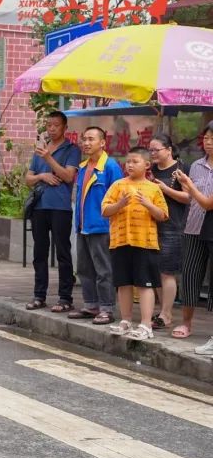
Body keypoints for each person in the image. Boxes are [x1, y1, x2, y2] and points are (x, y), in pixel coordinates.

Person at [101, 147, 168, 340]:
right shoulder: (117, 185)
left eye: (135, 161)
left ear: (147, 165)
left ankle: (146, 324)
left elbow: (163, 215)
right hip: (120, 242)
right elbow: (105, 210)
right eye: (128, 161)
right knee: (123, 283)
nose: (130, 165)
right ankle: (126, 320)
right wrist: (120, 204)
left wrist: (147, 204)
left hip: (145, 243)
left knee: (145, 284)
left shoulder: (154, 188)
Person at [25, 110, 81, 312]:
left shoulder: (72, 149)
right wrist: (43, 176)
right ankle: (39, 295)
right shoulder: (40, 149)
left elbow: (67, 176)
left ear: (65, 127)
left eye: (56, 125)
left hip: (60, 207)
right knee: (39, 252)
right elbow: (28, 178)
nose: (51, 129)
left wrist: (49, 159)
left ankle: (65, 298)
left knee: (63, 253)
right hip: (40, 206)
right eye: (49, 125)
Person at [67, 127, 123, 324]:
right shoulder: (83, 167)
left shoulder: (110, 166)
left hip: (102, 226)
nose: (86, 143)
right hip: (83, 225)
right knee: (84, 268)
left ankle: (107, 308)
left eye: (91, 139)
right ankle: (91, 305)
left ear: (102, 143)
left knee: (103, 269)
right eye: (84, 139)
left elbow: (118, 196)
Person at [174, 123, 213, 355]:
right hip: (193, 227)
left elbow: (207, 202)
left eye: (212, 138)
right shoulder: (196, 166)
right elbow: (190, 198)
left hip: (211, 230)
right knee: (189, 275)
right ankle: (186, 323)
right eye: (206, 137)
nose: (208, 141)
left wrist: (188, 185)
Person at [149, 134, 189, 331]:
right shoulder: (152, 170)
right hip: (151, 224)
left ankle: (166, 314)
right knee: (155, 271)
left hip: (174, 226)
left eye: (156, 150)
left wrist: (165, 189)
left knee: (167, 272)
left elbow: (188, 197)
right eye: (151, 150)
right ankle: (162, 312)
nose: (153, 154)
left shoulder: (181, 169)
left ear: (169, 150)